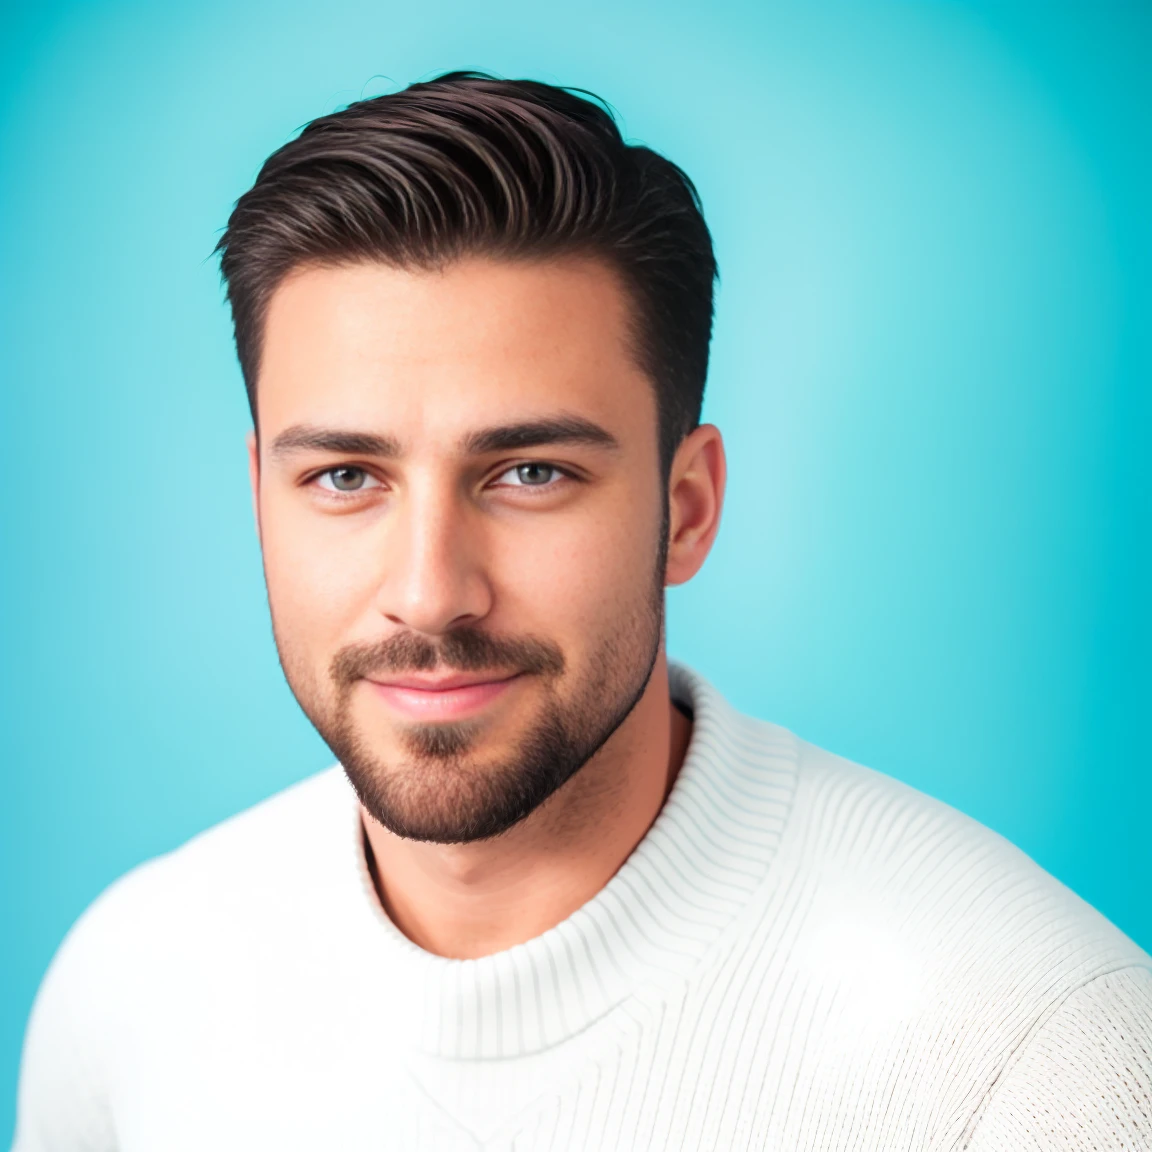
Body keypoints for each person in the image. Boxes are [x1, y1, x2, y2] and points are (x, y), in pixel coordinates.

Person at [13, 71, 1151, 1152]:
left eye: (531, 474)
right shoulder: (133, 987)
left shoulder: (1039, 1055)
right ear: (260, 502)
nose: (428, 591)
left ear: (686, 509)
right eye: (347, 478)